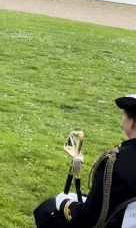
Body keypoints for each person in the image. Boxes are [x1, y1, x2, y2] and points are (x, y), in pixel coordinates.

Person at [33, 94, 136, 227]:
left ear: (132, 122)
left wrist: (64, 202)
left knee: (48, 209)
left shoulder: (115, 162)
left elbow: (88, 218)